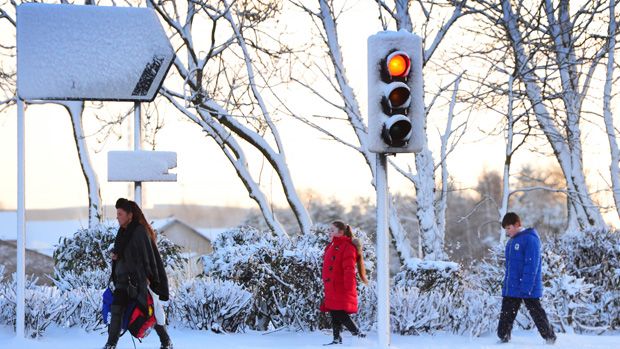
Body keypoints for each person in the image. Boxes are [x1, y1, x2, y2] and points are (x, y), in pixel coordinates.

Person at [103, 198, 173, 349]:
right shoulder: (122, 231)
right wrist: (116, 255)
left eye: (120, 214)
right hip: (123, 281)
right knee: (116, 310)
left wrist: (149, 279)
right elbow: (123, 252)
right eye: (117, 214)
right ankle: (111, 344)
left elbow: (147, 257)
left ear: (130, 215)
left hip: (139, 281)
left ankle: (166, 341)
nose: (117, 217)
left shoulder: (139, 231)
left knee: (149, 311)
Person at [497, 212, 556, 345]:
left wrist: (526, 286)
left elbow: (532, 264)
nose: (507, 232)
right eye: (505, 229)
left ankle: (550, 339)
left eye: (508, 228)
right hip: (512, 287)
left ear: (517, 224)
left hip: (527, 286)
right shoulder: (511, 242)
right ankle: (503, 342)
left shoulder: (530, 239)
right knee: (503, 328)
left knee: (537, 314)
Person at [320, 221, 368, 345]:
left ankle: (357, 333)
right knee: (333, 310)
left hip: (340, 285)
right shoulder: (332, 245)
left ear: (341, 232)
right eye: (329, 230)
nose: (329, 232)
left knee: (338, 311)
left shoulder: (347, 246)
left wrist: (349, 286)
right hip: (331, 285)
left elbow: (349, 268)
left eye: (332, 230)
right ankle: (336, 338)